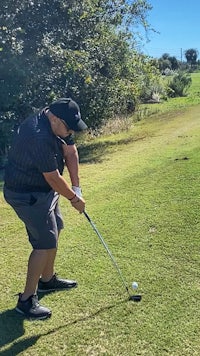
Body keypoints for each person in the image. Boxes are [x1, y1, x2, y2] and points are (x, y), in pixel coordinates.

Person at [3, 97, 87, 320]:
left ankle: (47, 280)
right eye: (68, 128)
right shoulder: (37, 135)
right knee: (44, 243)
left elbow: (70, 152)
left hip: (43, 190)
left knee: (56, 227)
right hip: (26, 194)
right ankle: (26, 300)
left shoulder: (56, 121)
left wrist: (77, 189)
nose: (70, 132)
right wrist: (73, 199)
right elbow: (52, 177)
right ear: (56, 119)